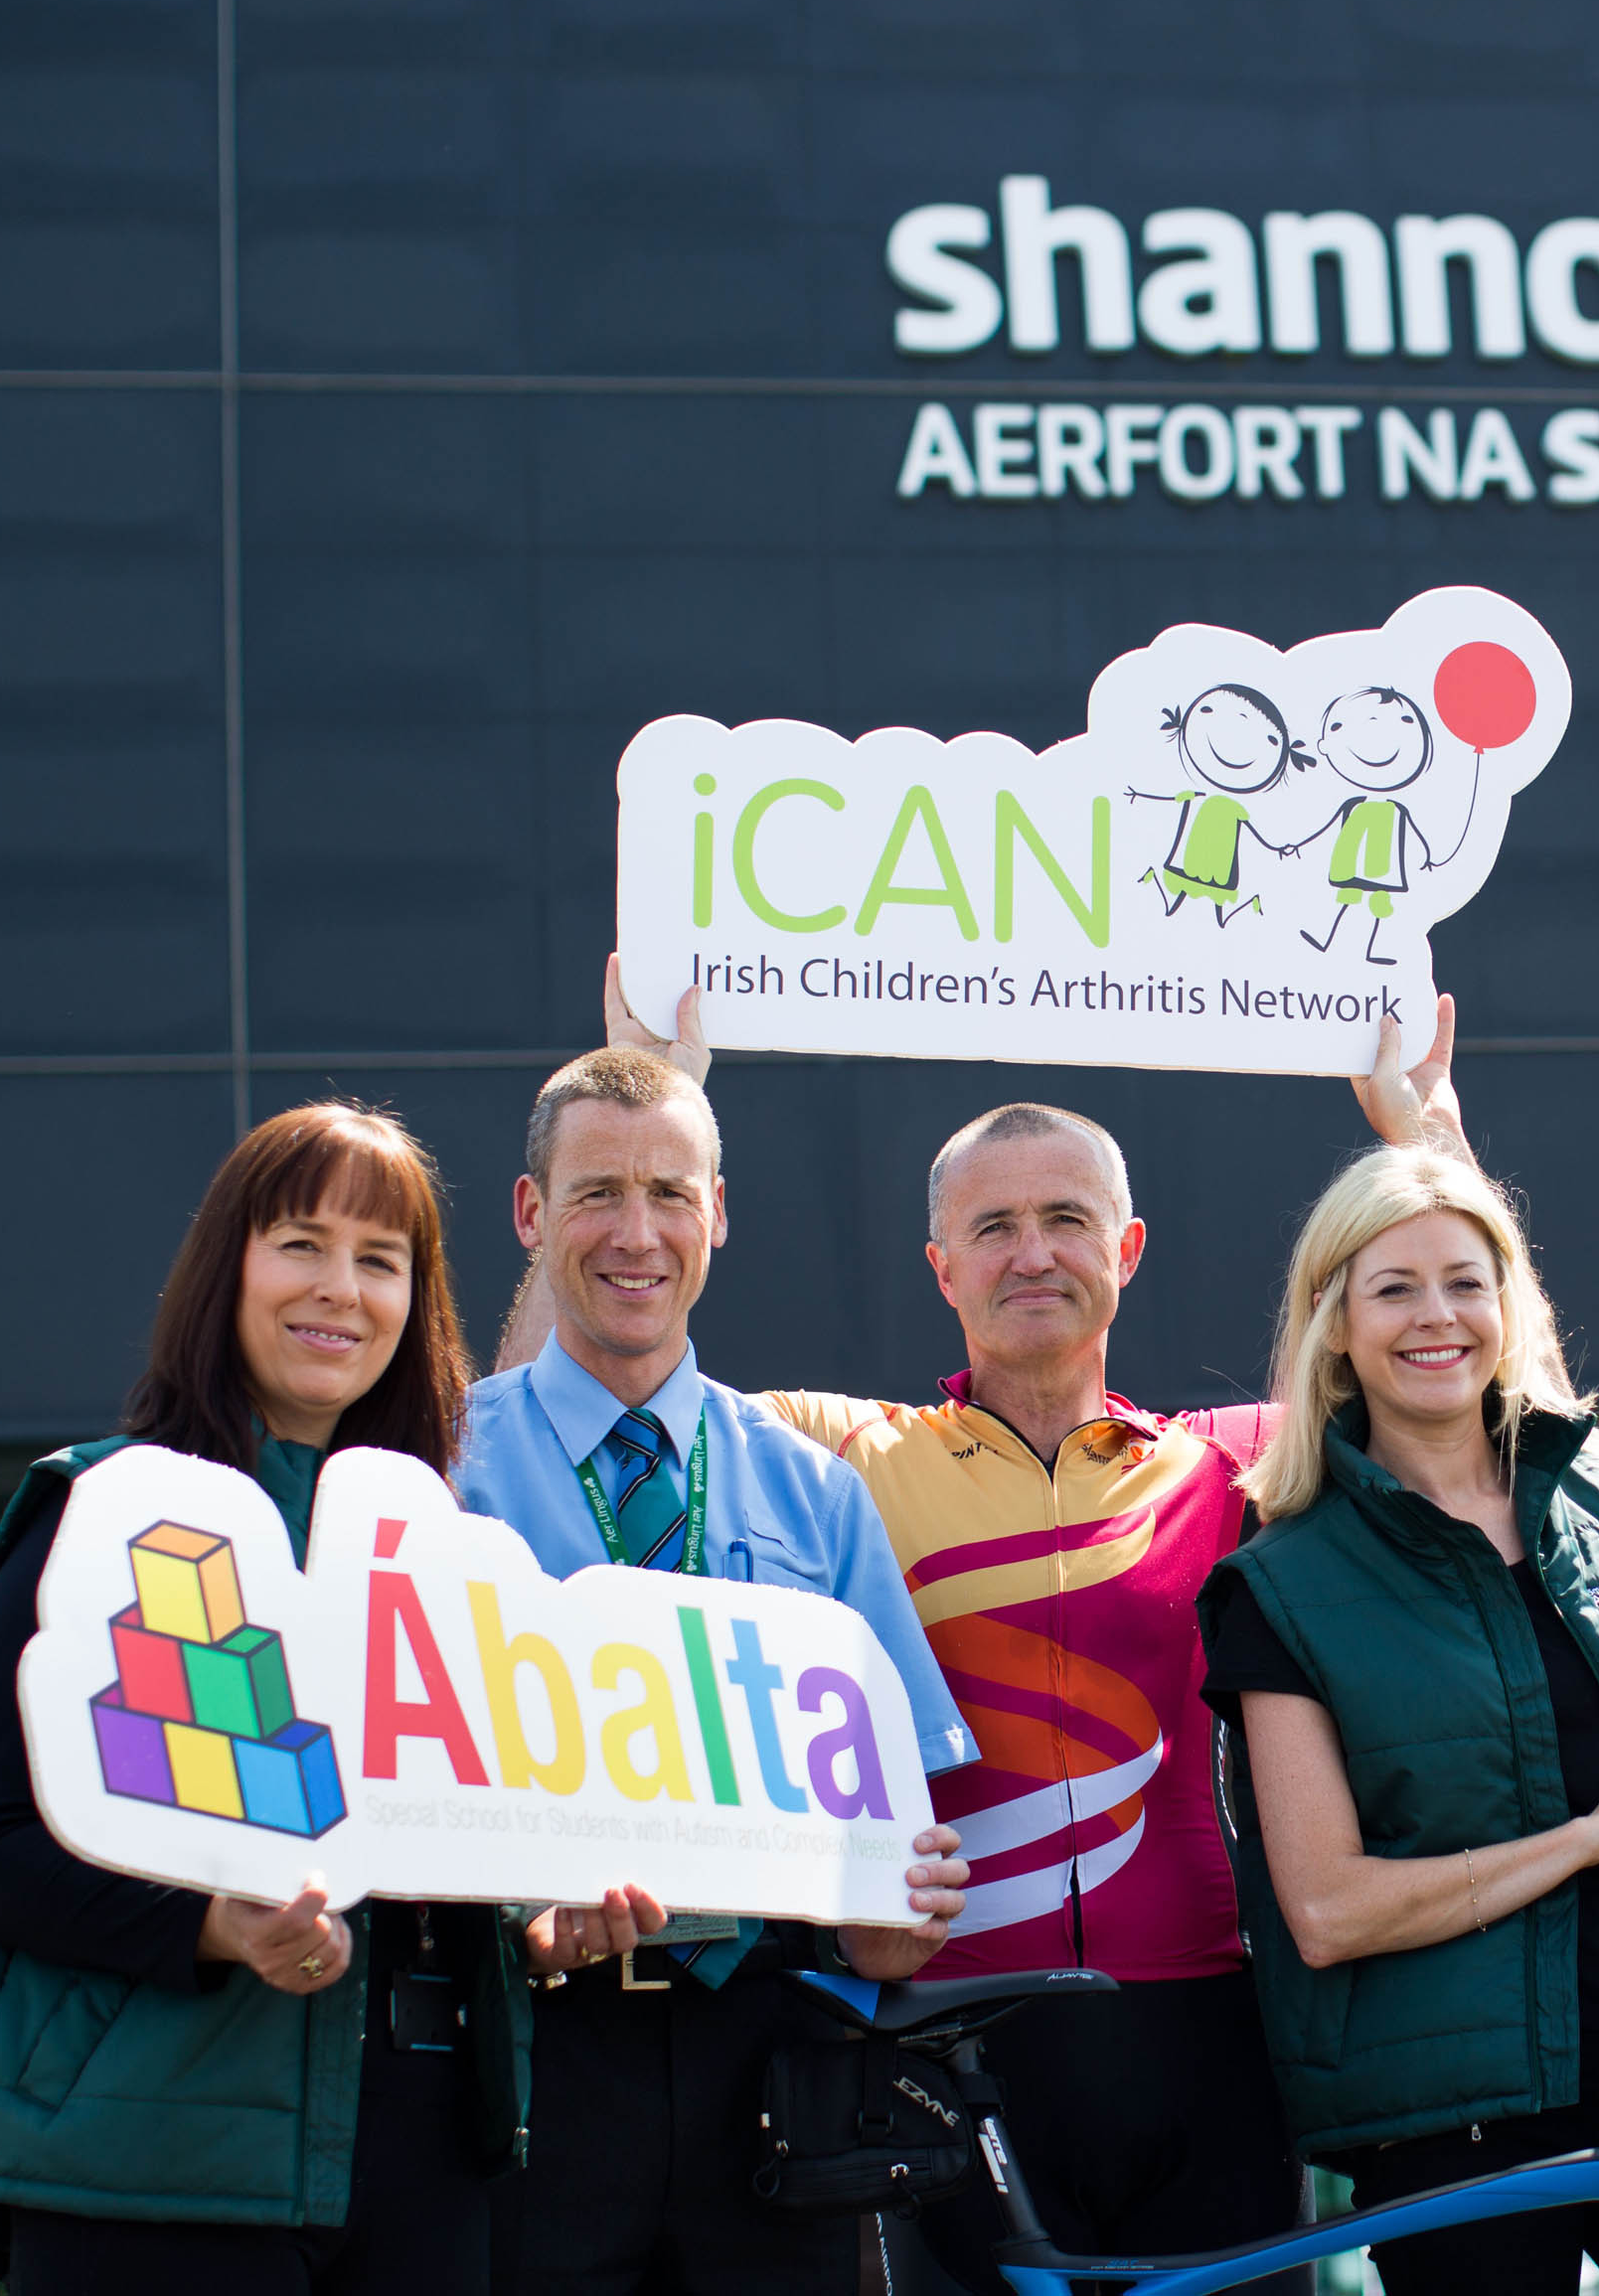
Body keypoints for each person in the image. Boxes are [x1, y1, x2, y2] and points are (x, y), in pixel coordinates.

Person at [511, 958, 1473, 2291]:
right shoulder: (840, 1453)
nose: (1034, 1251)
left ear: (1126, 1251)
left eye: (1068, 1218)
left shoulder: (1241, 1463)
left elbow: (1474, 1400)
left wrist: (1430, 1137)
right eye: (997, 1224)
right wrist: (656, 1098)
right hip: (939, 2053)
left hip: (1209, 2047)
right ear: (942, 1265)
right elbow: (546, 1413)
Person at [0, 1102, 534, 2295]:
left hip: (419, 2162)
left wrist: (536, 1922)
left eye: (381, 1262)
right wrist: (215, 1925)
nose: (340, 1291)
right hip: (148, 2164)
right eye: (301, 1243)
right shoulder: (100, 1515)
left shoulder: (448, 1557)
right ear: (229, 1266)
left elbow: (433, 1863)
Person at [449, 1044, 979, 2296]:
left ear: (719, 1215)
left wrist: (905, 1894)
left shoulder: (817, 1493)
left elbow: (891, 1885)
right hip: (533, 2057)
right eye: (596, 1193)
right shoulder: (437, 1470)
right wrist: (510, 1930)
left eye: (672, 1193)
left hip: (771, 2068)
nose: (636, 1233)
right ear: (531, 1214)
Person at [1196, 1144, 1599, 2296]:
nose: (1435, 1317)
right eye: (1392, 1288)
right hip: (1457, 2135)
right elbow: (1324, 1910)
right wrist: (1585, 1842)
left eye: (1464, 1281)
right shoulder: (1278, 1582)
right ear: (1332, 1325)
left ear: (1509, 1304)